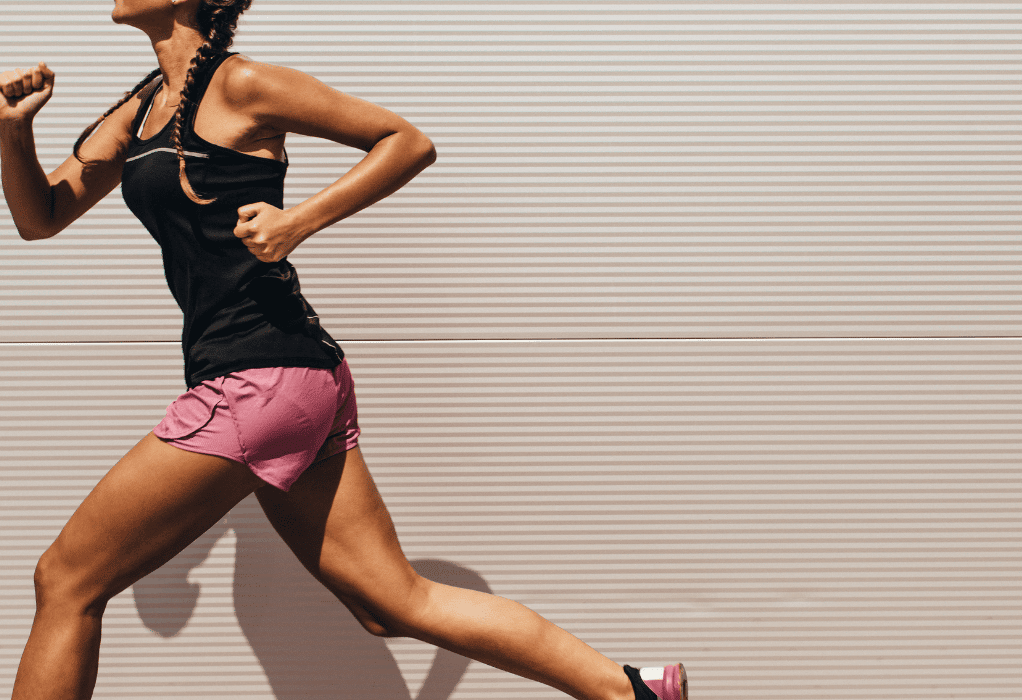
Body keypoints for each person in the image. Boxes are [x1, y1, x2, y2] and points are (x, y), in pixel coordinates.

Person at [0, 2, 685, 700]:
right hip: (289, 377)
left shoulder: (241, 86)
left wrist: (297, 222)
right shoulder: (143, 106)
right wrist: (12, 132)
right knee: (393, 603)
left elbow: (405, 141)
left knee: (65, 580)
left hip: (257, 376)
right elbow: (40, 217)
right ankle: (632, 689)